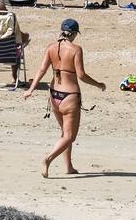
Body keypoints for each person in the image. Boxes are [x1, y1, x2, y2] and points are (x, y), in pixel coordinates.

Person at [24, 19, 106, 178]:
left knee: (64, 133)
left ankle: (68, 167)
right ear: (74, 33)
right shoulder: (76, 49)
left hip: (54, 95)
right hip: (70, 96)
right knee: (70, 136)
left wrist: (31, 89)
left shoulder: (51, 48)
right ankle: (48, 159)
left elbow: (41, 69)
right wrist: (98, 84)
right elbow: (81, 75)